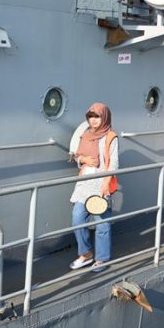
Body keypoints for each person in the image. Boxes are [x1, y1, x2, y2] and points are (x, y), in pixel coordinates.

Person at [69, 103, 118, 273]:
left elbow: (114, 162)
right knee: (77, 219)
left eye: (97, 116)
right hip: (84, 184)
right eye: (91, 116)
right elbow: (77, 156)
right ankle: (86, 252)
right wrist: (82, 160)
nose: (94, 120)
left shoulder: (111, 137)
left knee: (102, 224)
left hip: (100, 184)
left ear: (104, 117)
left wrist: (105, 183)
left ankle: (102, 259)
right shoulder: (86, 135)